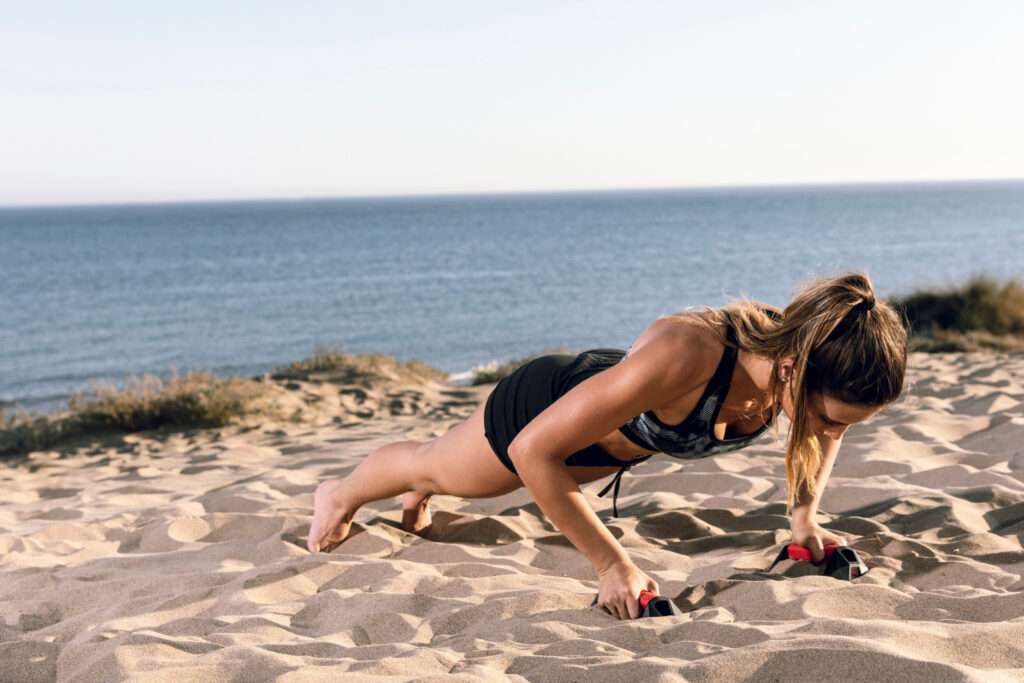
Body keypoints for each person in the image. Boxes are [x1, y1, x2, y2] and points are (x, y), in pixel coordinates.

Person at [307, 272, 907, 620]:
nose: (833, 433)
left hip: (609, 441)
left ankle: (417, 496)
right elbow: (532, 452)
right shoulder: (689, 354)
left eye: (846, 425)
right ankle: (337, 493)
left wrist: (805, 522)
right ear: (792, 369)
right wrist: (612, 565)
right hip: (542, 413)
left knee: (439, 476)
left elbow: (821, 440)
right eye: (828, 418)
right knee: (436, 466)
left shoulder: (808, 359)